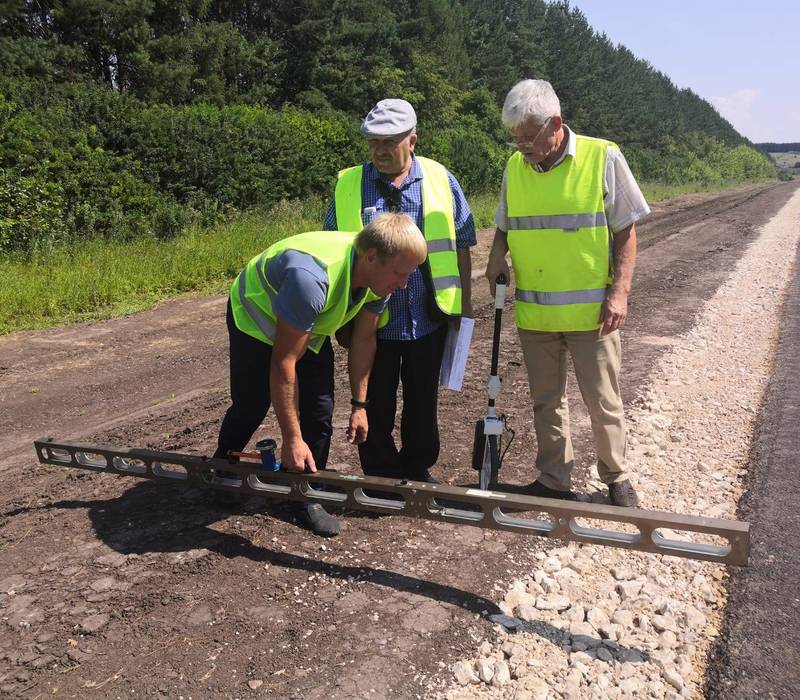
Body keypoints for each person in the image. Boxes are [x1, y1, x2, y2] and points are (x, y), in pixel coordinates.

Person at [486, 79, 650, 507]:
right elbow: (504, 222)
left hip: (592, 315)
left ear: (555, 124)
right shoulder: (514, 168)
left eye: (528, 137)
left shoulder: (602, 156)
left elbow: (627, 231)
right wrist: (496, 255)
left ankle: (616, 477)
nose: (521, 147)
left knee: (603, 401)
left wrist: (620, 292)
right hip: (536, 314)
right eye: (515, 138)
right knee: (546, 401)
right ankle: (554, 478)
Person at [213, 213, 427, 536]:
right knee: (252, 403)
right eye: (400, 273)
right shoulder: (311, 279)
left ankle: (305, 493)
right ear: (372, 257)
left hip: (305, 321)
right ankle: (222, 466)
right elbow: (284, 363)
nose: (404, 284)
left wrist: (359, 406)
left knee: (320, 407)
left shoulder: (378, 279)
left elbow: (364, 340)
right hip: (256, 318)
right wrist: (292, 439)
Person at [324, 98, 476, 482]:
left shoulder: (441, 179)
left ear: (413, 140)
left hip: (429, 316)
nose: (379, 150)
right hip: (371, 322)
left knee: (422, 400)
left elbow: (462, 243)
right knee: (375, 399)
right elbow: (334, 252)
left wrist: (466, 307)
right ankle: (380, 474)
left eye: (389, 141)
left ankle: (416, 467)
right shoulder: (348, 186)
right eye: (373, 141)